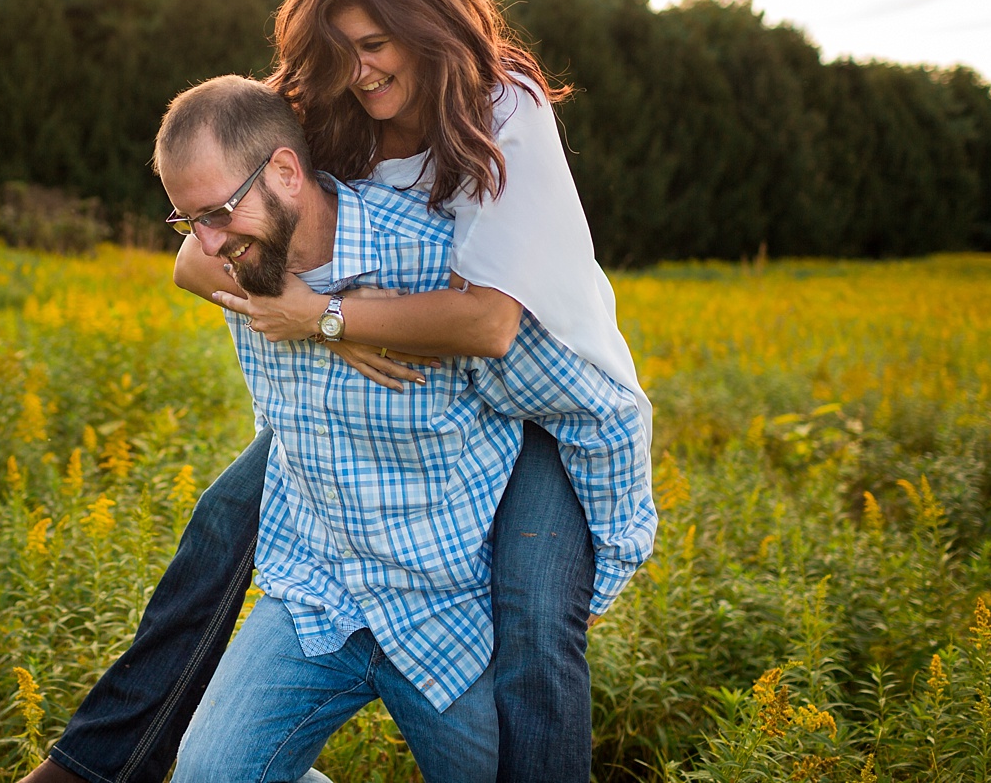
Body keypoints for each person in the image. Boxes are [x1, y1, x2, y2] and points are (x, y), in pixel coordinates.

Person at [22, 0, 653, 783]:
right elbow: (194, 257)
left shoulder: (500, 100)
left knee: (537, 615)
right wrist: (291, 301)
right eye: (338, 48)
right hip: (367, 395)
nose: (360, 70)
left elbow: (494, 324)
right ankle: (96, 764)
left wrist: (330, 323)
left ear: (427, 20)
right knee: (223, 526)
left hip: (542, 392)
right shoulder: (323, 104)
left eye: (376, 43)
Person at [164, 76, 644, 781]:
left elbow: (591, 411)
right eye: (188, 222)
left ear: (287, 173)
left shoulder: (439, 269)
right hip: (315, 596)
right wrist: (329, 326)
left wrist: (587, 590)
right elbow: (192, 264)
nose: (208, 242)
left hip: (445, 615)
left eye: (218, 213)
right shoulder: (244, 267)